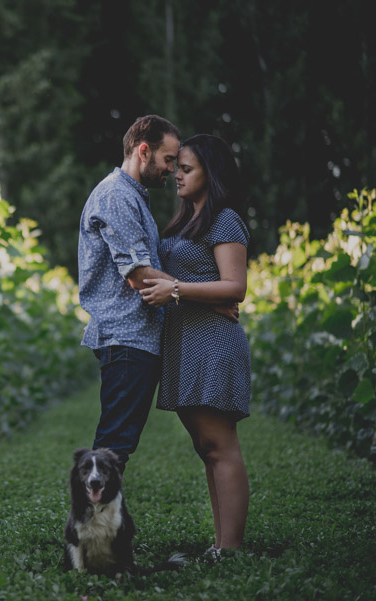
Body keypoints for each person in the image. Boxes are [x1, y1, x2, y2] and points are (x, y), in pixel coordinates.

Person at [139, 133, 251, 554]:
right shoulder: (187, 220)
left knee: (220, 446)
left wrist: (182, 291)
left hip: (212, 343)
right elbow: (195, 284)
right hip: (185, 343)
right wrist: (190, 290)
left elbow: (236, 286)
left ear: (211, 172)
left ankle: (231, 548)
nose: (176, 175)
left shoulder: (225, 220)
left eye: (186, 169)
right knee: (206, 447)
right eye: (177, 168)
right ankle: (220, 545)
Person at [76, 115, 182, 473]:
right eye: (168, 159)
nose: (172, 168)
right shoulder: (116, 195)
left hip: (135, 337)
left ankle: (101, 526)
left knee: (118, 444)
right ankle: (92, 527)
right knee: (113, 446)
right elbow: (139, 276)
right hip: (126, 336)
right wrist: (203, 296)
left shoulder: (133, 196)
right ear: (143, 151)